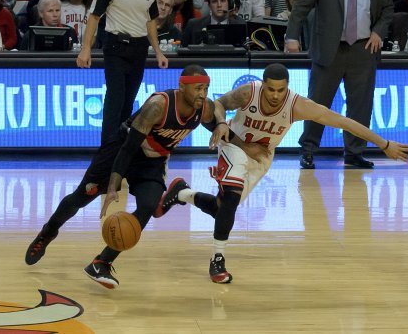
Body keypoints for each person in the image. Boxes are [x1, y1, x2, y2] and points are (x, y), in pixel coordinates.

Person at [153, 63, 408, 284]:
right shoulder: (248, 92)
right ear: (263, 85)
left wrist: (384, 144)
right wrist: (222, 124)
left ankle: (182, 193)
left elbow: (344, 122)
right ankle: (217, 260)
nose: (276, 96)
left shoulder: (297, 106)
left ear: (287, 87)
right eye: (271, 89)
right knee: (231, 198)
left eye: (281, 90)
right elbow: (217, 104)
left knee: (224, 209)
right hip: (234, 144)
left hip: (262, 157)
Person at [24, 65, 261, 287]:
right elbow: (127, 148)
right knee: (82, 196)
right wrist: (114, 185)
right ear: (182, 87)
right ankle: (48, 232)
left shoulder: (204, 107)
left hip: (153, 160)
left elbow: (217, 111)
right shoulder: (159, 105)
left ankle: (102, 262)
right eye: (198, 88)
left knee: (148, 206)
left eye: (206, 88)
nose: (202, 94)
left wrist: (225, 127)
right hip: (122, 149)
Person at [286, 0, 394, 169]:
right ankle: (308, 150)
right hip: (329, 50)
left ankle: (354, 152)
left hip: (363, 48)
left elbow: (387, 9)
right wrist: (292, 36)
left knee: (360, 105)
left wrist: (378, 32)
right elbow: (301, 6)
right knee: (317, 103)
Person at [76, 0, 169, 147]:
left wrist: (158, 52)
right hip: (116, 47)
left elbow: (151, 21)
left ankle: (119, 149)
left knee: (129, 102)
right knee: (115, 101)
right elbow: (94, 17)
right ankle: (107, 150)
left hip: (139, 49)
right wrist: (85, 50)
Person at [181, 0, 246, 46]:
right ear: (209, 5)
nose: (219, 5)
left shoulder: (240, 25)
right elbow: (183, 51)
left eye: (222, 1)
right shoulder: (193, 24)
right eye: (214, 1)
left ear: (229, 4)